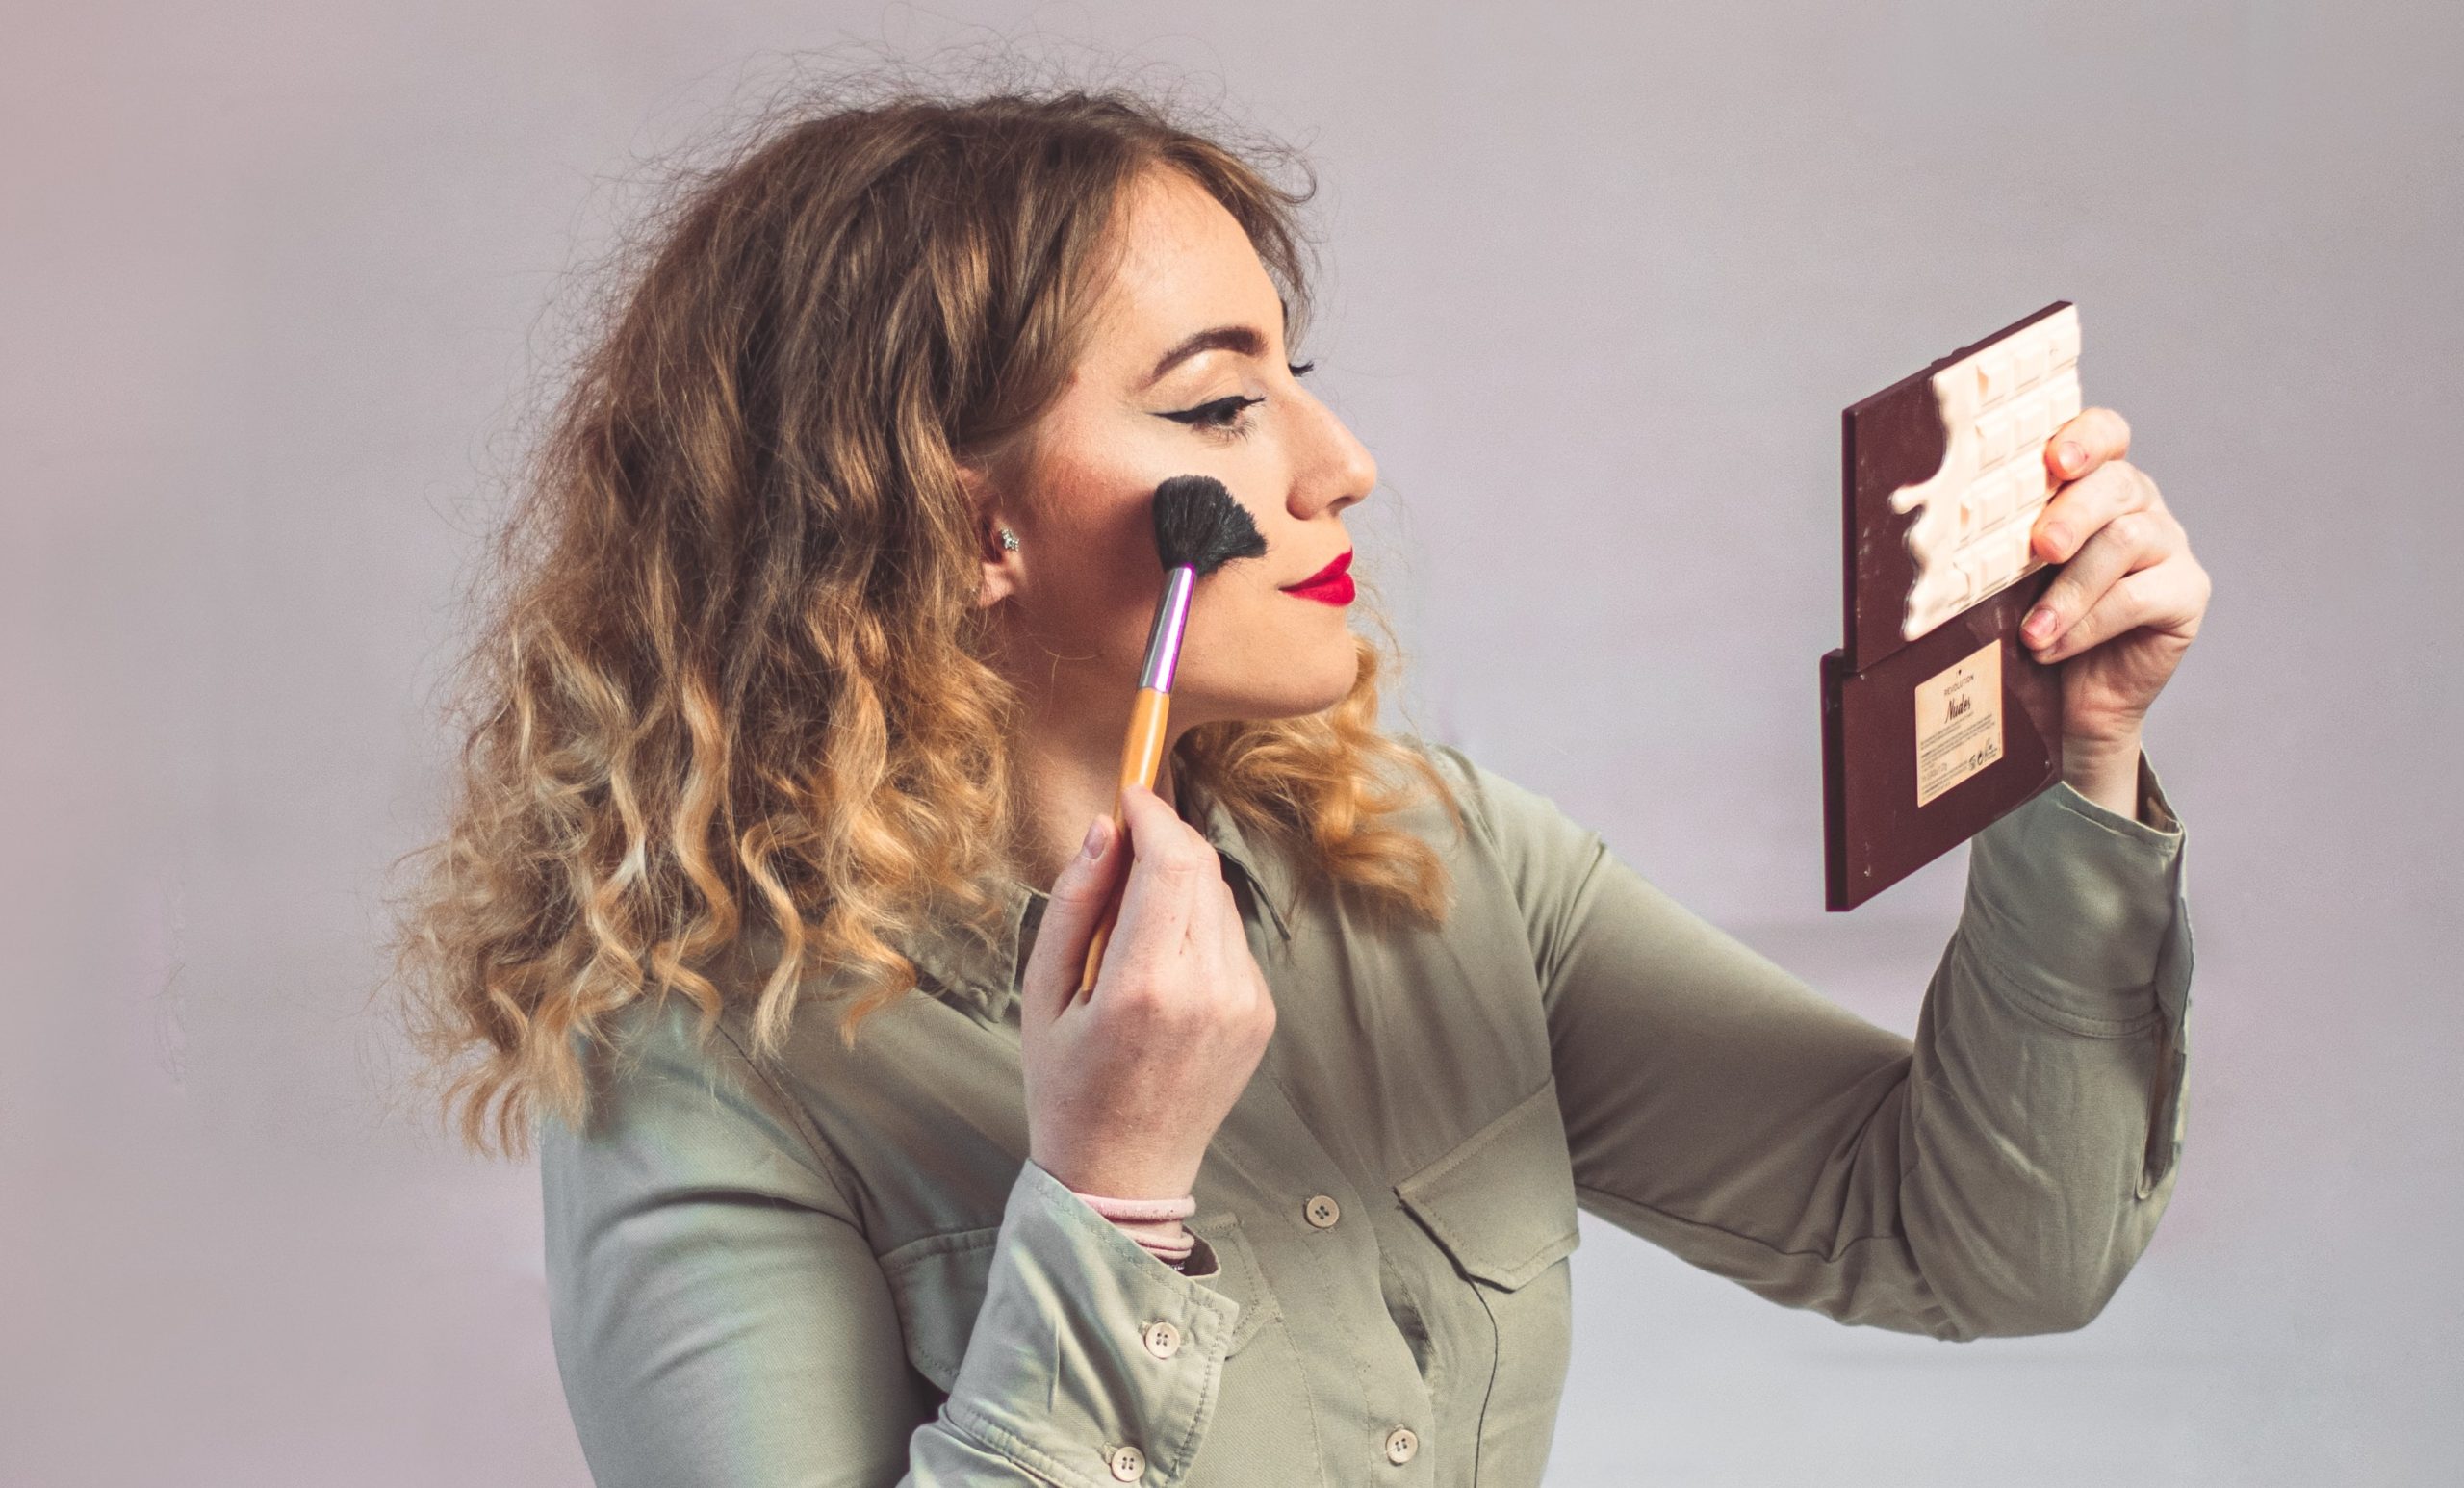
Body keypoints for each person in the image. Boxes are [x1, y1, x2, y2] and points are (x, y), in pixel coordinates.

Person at [389, 79, 2208, 1487]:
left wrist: (2087, 764)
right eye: (1216, 407)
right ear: (968, 523)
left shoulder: (1439, 863)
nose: (1338, 464)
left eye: (1297, 377)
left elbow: (1982, 1243)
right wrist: (1106, 1194)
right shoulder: (709, 1068)